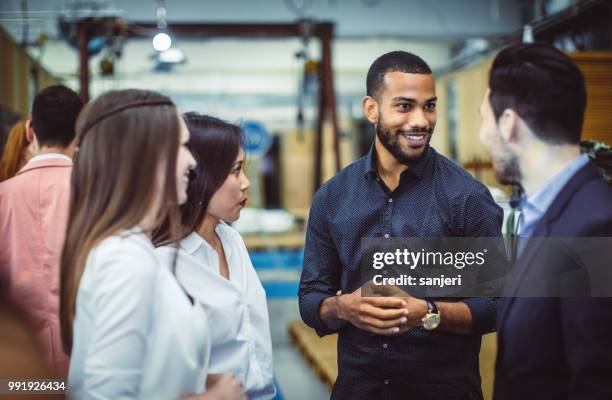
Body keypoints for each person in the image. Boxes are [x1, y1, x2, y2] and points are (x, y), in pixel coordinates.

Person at [299, 51, 503, 399]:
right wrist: (341, 307)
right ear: (371, 109)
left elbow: (496, 305)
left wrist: (429, 312)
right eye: (405, 106)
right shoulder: (333, 198)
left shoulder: (466, 197)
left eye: (430, 106)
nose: (421, 120)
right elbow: (310, 297)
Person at [60, 89, 245, 400]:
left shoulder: (132, 251)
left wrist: (192, 378)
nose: (191, 163)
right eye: (181, 146)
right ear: (143, 157)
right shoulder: (123, 261)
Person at [479, 43, 612, 400]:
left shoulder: (596, 227)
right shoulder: (545, 211)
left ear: (508, 123)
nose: (483, 136)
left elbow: (597, 382)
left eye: (484, 120)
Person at [153, 113, 275, 399]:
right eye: (235, 171)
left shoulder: (232, 241)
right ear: (199, 175)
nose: (246, 183)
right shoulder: (164, 264)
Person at [0, 85, 83, 377]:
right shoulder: (96, 195)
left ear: (30, 130)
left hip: (18, 366)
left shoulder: (2, 196)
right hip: (84, 359)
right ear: (80, 132)